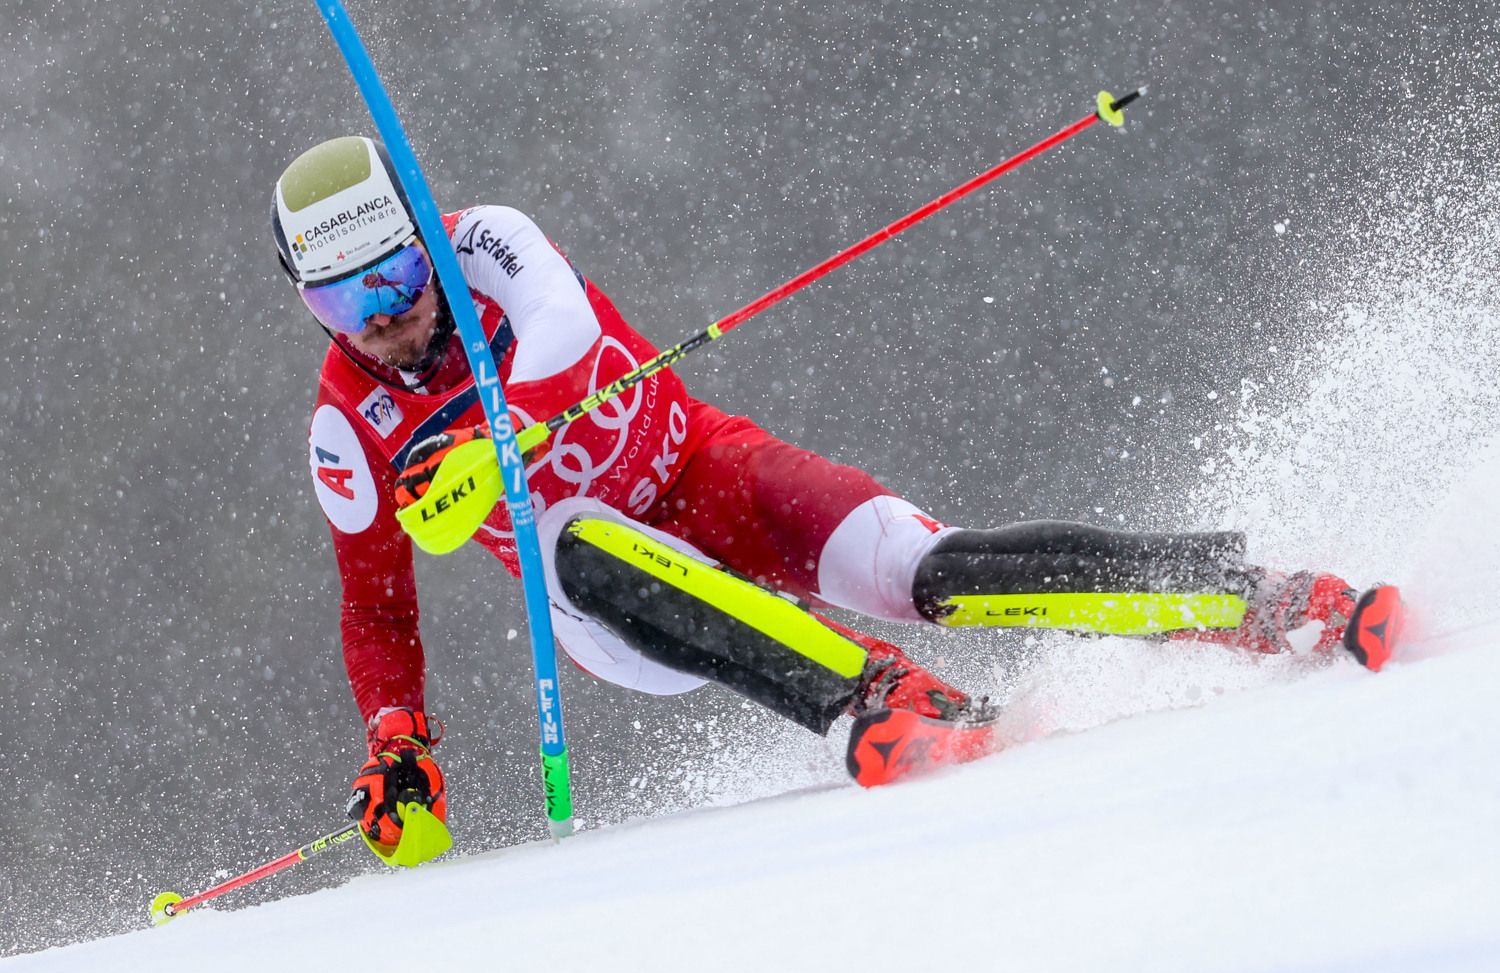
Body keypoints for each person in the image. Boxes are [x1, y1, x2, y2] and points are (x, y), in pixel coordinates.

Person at [272, 136, 1399, 856]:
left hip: (708, 471)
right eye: (342, 301)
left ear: (425, 236)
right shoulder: (346, 430)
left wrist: (491, 431)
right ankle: (871, 697)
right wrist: (399, 743)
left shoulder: (487, 244)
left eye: (395, 273)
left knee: (927, 569)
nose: (384, 316)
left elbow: (563, 328)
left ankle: (1259, 600)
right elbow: (376, 607)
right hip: (615, 608)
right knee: (567, 534)